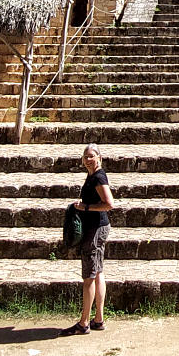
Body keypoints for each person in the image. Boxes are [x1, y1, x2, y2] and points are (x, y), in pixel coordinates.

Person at [61, 143, 114, 336]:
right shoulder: (93, 175)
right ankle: (98, 319)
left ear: (99, 157)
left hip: (95, 228)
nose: (88, 159)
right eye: (85, 156)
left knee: (89, 277)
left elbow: (109, 204)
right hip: (98, 227)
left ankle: (84, 323)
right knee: (98, 272)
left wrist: (85, 207)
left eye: (91, 156)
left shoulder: (99, 176)